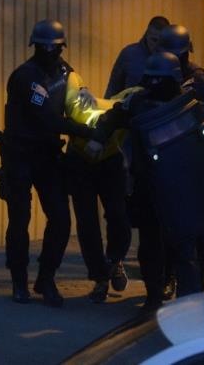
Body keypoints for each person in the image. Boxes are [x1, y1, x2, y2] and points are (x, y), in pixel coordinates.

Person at [86, 52, 204, 310]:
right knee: (151, 246)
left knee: (185, 248)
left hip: (181, 187)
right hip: (149, 185)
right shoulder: (137, 102)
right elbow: (112, 117)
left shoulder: (188, 105)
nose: (155, 85)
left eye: (160, 80)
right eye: (152, 79)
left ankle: (189, 304)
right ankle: (154, 298)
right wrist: (98, 138)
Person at [0, 19, 98, 307]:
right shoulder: (26, 77)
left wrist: (86, 97)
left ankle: (46, 277)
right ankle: (19, 281)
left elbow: (75, 96)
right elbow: (49, 119)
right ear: (35, 47)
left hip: (48, 156)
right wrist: (88, 132)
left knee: (61, 220)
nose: (51, 52)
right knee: (20, 220)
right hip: (20, 155)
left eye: (55, 48)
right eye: (45, 47)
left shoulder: (65, 72)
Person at [63, 73, 141, 303]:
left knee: (118, 215)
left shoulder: (128, 104)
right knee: (87, 223)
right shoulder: (74, 99)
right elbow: (70, 76)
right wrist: (83, 89)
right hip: (79, 162)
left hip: (111, 161)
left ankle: (114, 261)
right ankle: (100, 278)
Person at [156, 24, 204, 300]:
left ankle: (199, 275)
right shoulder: (159, 72)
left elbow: (186, 99)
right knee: (169, 223)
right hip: (171, 153)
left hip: (196, 153)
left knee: (200, 224)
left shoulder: (196, 77)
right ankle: (169, 275)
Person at [104, 16, 170, 99]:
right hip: (131, 105)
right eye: (154, 40)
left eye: (162, 41)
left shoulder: (173, 58)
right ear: (147, 35)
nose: (157, 45)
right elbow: (113, 89)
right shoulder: (129, 54)